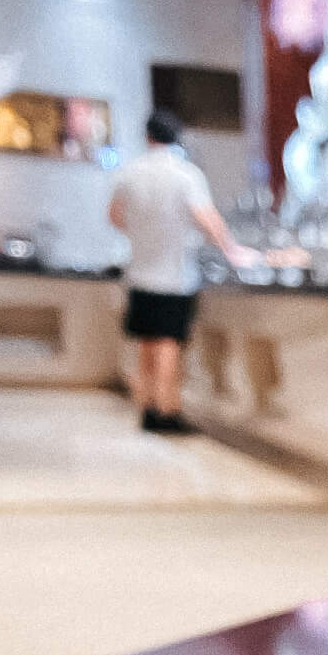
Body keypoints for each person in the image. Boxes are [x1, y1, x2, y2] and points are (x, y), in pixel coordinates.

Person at [108, 110, 248, 433]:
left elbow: (114, 216)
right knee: (169, 342)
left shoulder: (130, 174)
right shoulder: (186, 175)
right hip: (174, 274)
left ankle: (147, 407)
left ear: (148, 137)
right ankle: (168, 409)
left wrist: (141, 234)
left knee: (147, 341)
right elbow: (206, 218)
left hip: (140, 271)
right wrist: (230, 248)